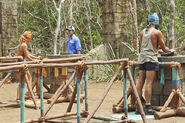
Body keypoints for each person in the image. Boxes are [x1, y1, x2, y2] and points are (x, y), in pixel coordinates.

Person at [136, 13, 174, 115]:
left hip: (142, 58)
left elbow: (146, 47)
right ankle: (148, 106)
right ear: (156, 21)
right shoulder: (157, 32)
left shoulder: (142, 32)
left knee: (140, 82)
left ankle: (138, 106)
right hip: (150, 59)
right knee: (149, 83)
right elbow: (164, 48)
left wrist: (157, 50)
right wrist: (170, 50)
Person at [16, 31, 41, 102]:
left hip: (19, 63)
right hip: (20, 64)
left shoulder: (22, 44)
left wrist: (36, 58)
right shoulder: (24, 45)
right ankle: (30, 94)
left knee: (22, 80)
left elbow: (28, 54)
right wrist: (34, 61)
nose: (30, 40)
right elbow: (27, 56)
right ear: (27, 38)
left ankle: (18, 97)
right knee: (28, 78)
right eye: (29, 38)